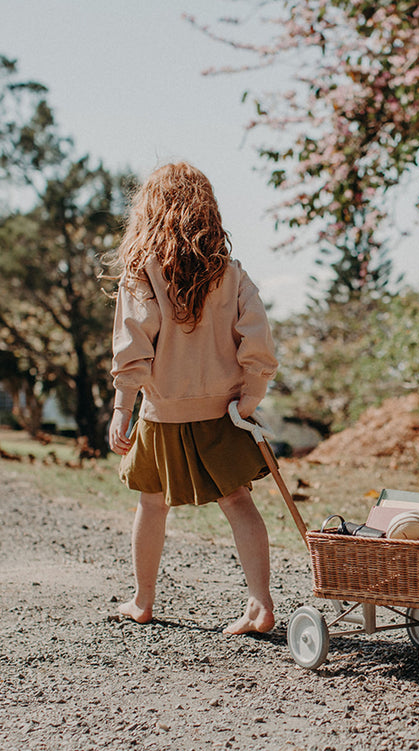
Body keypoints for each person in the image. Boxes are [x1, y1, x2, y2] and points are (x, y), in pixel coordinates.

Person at [107, 162, 278, 635]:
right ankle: (260, 604)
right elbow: (258, 340)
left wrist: (123, 407)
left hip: (161, 413)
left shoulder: (142, 274)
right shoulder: (231, 273)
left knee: (150, 503)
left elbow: (132, 344)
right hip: (222, 412)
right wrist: (250, 396)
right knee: (238, 501)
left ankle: (142, 600)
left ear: (149, 212)